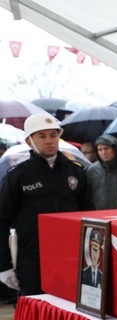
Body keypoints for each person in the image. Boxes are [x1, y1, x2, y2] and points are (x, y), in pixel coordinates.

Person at [0, 113, 90, 296]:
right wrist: (4, 265)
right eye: (42, 136)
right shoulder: (17, 176)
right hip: (32, 260)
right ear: (29, 141)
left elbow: (90, 217)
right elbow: (2, 220)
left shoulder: (77, 172)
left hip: (71, 258)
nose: (49, 141)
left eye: (53, 135)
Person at [86, 134, 117, 210]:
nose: (103, 152)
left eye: (106, 148)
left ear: (115, 149)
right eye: (100, 150)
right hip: (99, 215)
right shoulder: (92, 170)